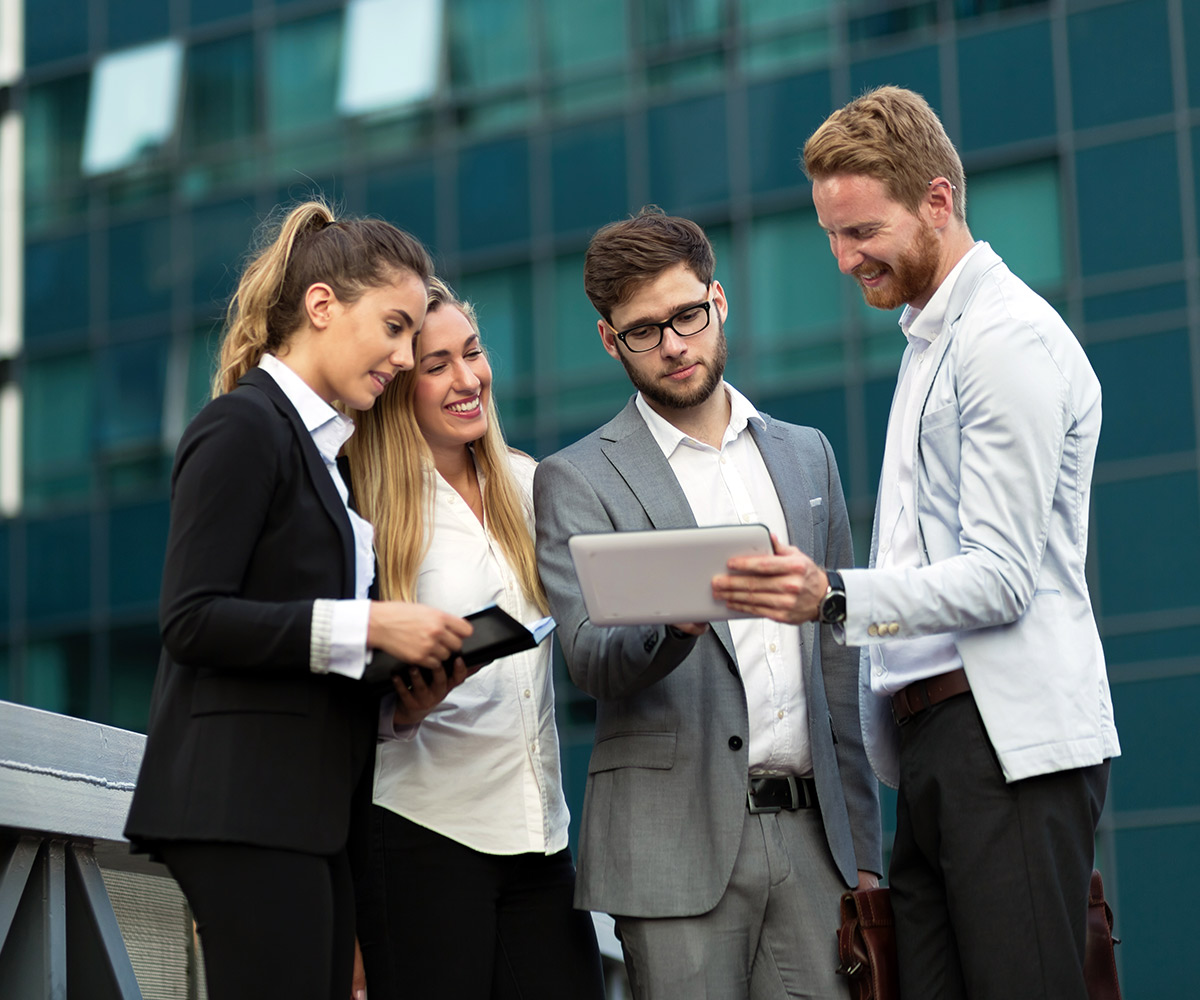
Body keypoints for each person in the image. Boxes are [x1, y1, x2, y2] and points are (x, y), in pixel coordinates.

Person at [713, 86, 1121, 1000]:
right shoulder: (932, 339)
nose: (844, 258)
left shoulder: (1004, 339)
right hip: (941, 743)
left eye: (862, 231)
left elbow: (1003, 578)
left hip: (1003, 743)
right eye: (831, 235)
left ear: (938, 201)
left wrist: (835, 595)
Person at [124, 202, 474, 1000]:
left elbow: (295, 650)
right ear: (322, 306)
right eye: (393, 328)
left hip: (309, 812)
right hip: (244, 808)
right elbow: (191, 619)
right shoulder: (242, 426)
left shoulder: (328, 458)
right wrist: (372, 622)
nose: (403, 358)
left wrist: (399, 702)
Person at [533, 206, 882, 1000]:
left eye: (687, 315)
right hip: (670, 848)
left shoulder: (807, 455)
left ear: (718, 300)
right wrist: (675, 622)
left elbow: (841, 663)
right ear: (609, 340)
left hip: (813, 840)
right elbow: (587, 659)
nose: (673, 344)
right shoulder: (576, 477)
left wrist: (863, 849)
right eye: (643, 331)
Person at [344, 278, 606, 1000]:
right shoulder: (366, 508)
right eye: (437, 366)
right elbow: (337, 694)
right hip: (421, 837)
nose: (468, 379)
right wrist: (405, 709)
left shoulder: (531, 484)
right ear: (400, 385)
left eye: (473, 352)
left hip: (541, 839)